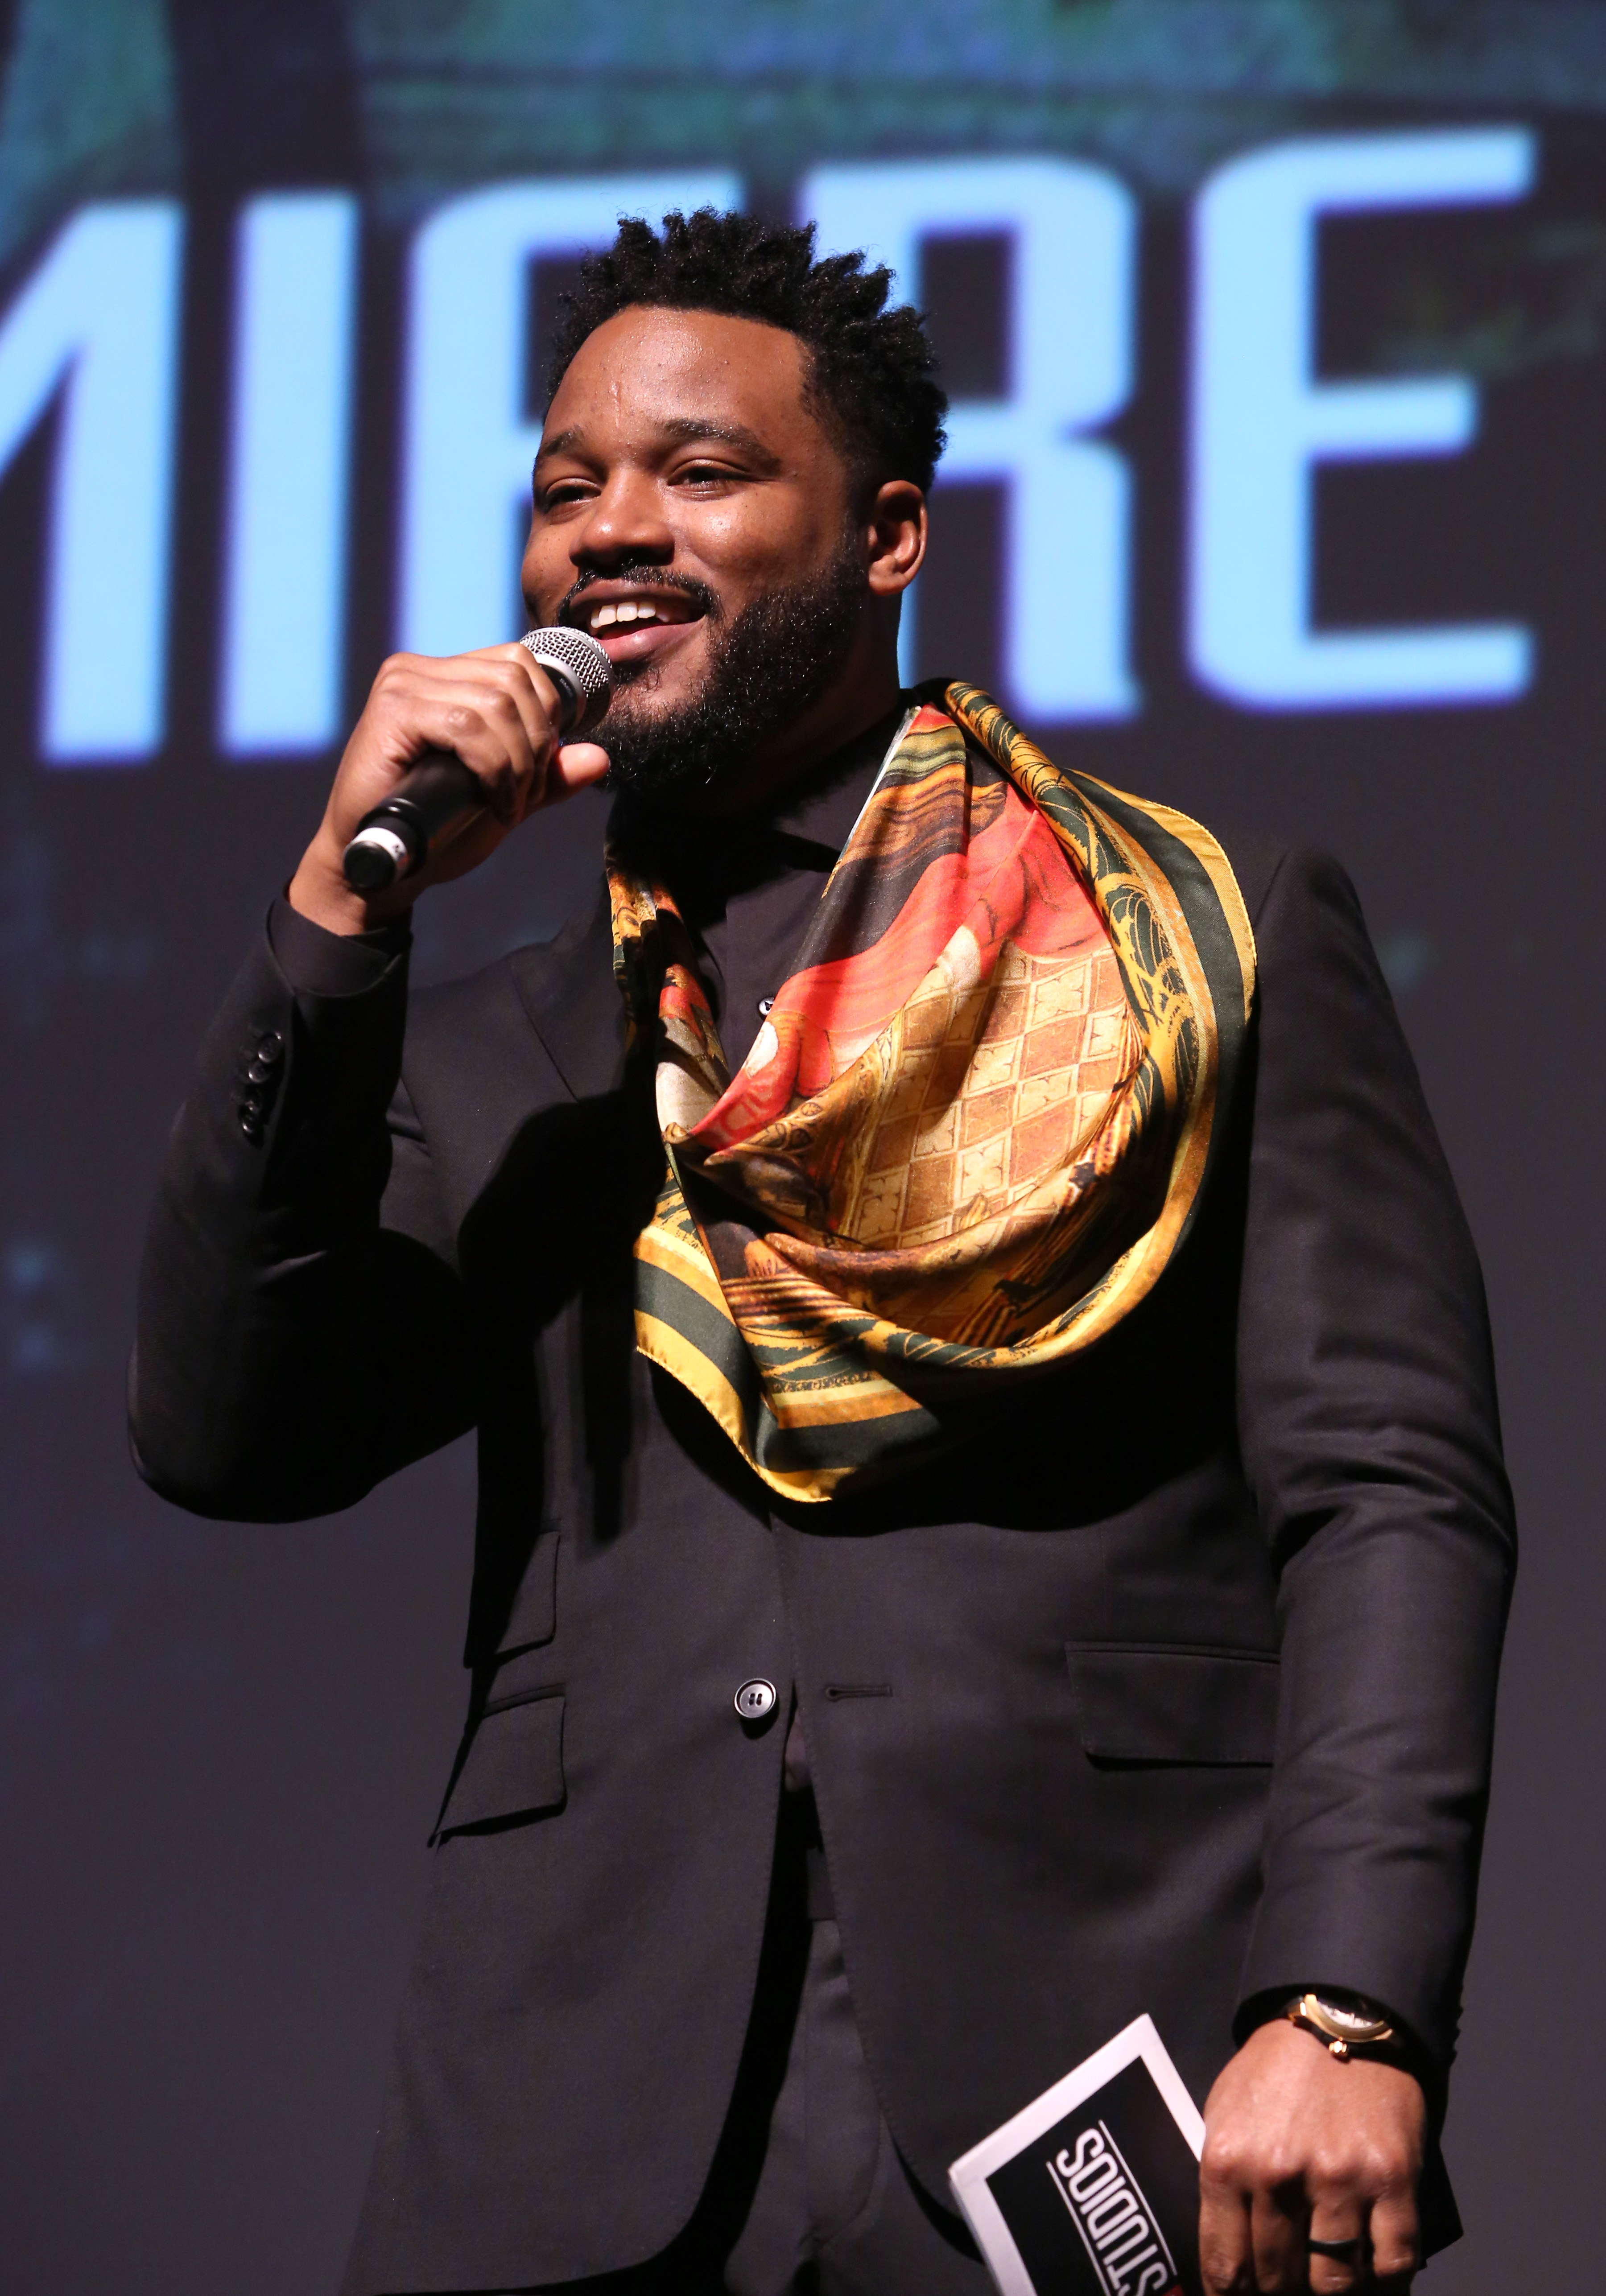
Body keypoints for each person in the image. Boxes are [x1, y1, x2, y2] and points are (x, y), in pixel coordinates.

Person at [130, 209, 1515, 2296]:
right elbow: (228, 1432)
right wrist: (339, 911)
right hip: (567, 2121)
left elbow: (1387, 1489)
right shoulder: (509, 1046)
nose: (612, 528)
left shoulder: (1184, 938)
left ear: (887, 538)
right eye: (567, 487)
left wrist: (1349, 1999)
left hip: (1093, 2058)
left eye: (699, 471)